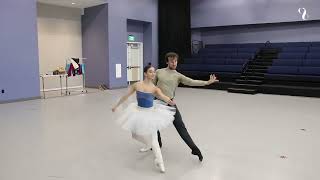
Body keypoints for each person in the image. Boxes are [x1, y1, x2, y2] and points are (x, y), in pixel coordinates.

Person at [154, 52, 219, 162]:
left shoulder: (178, 76)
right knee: (154, 125)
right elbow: (153, 87)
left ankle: (194, 148)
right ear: (167, 62)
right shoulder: (159, 72)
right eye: (171, 61)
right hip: (157, 103)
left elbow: (192, 82)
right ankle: (157, 142)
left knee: (181, 127)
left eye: (175, 61)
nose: (174, 63)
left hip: (170, 104)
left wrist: (207, 82)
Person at [112, 64, 176, 173]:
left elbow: (163, 96)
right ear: (145, 73)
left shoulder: (154, 88)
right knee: (135, 135)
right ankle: (147, 145)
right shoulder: (137, 85)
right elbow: (126, 96)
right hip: (138, 111)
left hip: (151, 113)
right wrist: (116, 106)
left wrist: (169, 101)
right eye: (151, 72)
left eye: (154, 72)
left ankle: (160, 162)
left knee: (155, 139)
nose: (153, 74)